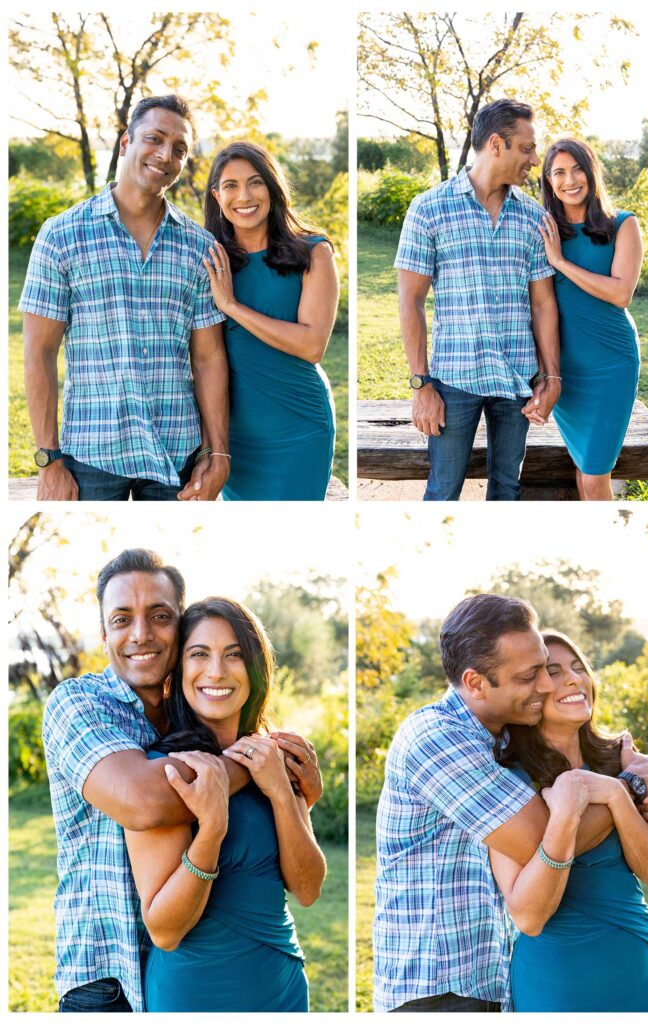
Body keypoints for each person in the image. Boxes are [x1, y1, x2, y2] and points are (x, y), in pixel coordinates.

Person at [42, 549, 322, 1012]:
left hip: (272, 982)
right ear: (103, 632)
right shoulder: (79, 704)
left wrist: (288, 793)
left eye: (160, 616)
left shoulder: (189, 729)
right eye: (122, 619)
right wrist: (252, 765)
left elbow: (307, 888)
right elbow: (145, 801)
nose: (140, 634)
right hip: (108, 978)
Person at [372, 593, 648, 1012]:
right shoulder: (437, 738)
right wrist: (628, 789)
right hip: (437, 989)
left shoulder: (501, 742)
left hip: (494, 977)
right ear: (475, 683)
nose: (549, 684)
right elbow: (543, 838)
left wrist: (632, 798)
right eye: (531, 675)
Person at [20, 95, 230, 502]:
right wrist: (49, 459)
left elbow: (208, 358)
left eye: (180, 149)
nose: (166, 155)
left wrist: (217, 450)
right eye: (155, 138)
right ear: (124, 142)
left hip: (178, 456)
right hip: (91, 455)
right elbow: (39, 351)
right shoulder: (61, 235)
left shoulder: (199, 247)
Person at [125, 598, 326, 1011]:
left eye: (234, 655)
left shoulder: (275, 758)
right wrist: (212, 829)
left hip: (282, 989)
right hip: (196, 992)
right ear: (180, 669)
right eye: (199, 654)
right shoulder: (165, 772)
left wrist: (281, 793)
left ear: (255, 669)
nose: (216, 671)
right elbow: (164, 930)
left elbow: (307, 890)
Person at [491, 629, 648, 1011]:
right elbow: (527, 916)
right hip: (558, 978)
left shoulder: (618, 760)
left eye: (578, 667)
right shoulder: (509, 780)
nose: (575, 678)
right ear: (531, 692)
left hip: (638, 964)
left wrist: (616, 791)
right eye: (553, 671)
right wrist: (626, 788)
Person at [394, 99, 560, 501]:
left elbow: (543, 305)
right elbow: (410, 301)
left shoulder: (534, 217)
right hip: (454, 379)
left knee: (507, 490)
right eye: (527, 148)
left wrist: (551, 377)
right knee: (442, 492)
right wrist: (421, 386)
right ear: (496, 144)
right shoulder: (429, 208)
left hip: (517, 381)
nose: (535, 159)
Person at [201, 141, 339, 500]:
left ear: (273, 187)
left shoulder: (313, 252)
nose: (244, 195)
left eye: (255, 182)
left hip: (300, 426)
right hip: (234, 436)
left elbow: (312, 346)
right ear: (217, 195)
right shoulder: (207, 258)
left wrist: (231, 305)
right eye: (230, 185)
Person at [538, 138, 644, 500]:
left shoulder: (623, 225)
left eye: (577, 168)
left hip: (612, 363)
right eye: (559, 172)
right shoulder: (546, 230)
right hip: (566, 368)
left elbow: (620, 293)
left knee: (597, 474)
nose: (570, 180)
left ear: (591, 171)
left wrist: (561, 263)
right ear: (549, 181)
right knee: (584, 470)